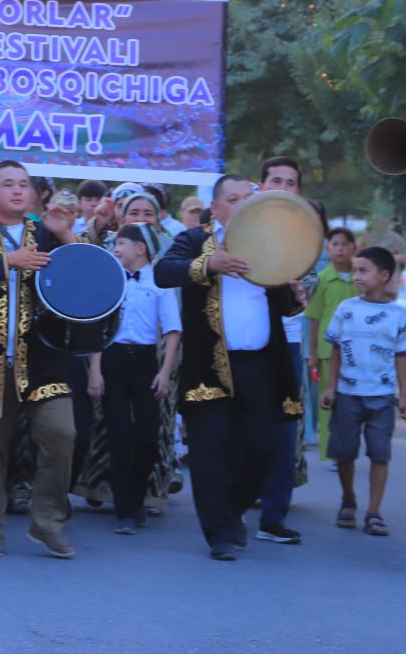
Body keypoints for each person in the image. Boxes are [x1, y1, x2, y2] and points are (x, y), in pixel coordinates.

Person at [154, 174, 305, 561]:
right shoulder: (193, 240)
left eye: (248, 198)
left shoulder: (272, 241)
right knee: (210, 452)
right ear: (217, 208)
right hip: (209, 366)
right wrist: (209, 264)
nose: (241, 205)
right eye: (233, 199)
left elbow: (283, 302)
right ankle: (219, 532)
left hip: (261, 365)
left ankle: (232, 508)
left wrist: (296, 297)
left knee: (266, 448)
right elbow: (163, 272)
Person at [0, 159, 81, 559]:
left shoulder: (47, 232)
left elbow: (86, 279)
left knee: (61, 434)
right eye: (8, 184)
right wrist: (9, 261)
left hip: (43, 358)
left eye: (24, 184)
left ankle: (47, 522)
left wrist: (66, 233)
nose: (19, 190)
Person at [86, 224, 182, 534]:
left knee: (147, 438)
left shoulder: (160, 281)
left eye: (122, 243)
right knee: (119, 437)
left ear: (140, 249)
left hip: (144, 362)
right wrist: (96, 370)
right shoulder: (112, 278)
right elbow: (99, 326)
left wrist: (165, 372)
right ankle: (124, 510)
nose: (116, 248)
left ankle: (138, 500)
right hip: (113, 359)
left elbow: (172, 331)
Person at [319, 247, 406, 536]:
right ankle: (348, 498)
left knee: (379, 454)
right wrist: (330, 387)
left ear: (384, 276)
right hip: (348, 394)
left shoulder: (398, 315)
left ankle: (374, 511)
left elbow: (402, 357)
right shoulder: (346, 309)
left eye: (364, 271)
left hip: (383, 397)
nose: (356, 276)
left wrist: (404, 396)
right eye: (355, 271)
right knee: (345, 452)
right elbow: (335, 348)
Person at [254, 156, 313, 546]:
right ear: (261, 187)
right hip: (245, 344)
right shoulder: (241, 228)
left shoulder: (307, 233)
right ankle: (233, 502)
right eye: (276, 180)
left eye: (290, 182)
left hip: (287, 344)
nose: (283, 187)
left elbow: (308, 285)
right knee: (243, 430)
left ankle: (274, 516)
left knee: (283, 430)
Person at [307, 228, 359, 462]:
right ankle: (329, 453)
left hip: (357, 350)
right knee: (329, 401)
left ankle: (347, 451)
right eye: (335, 244)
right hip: (329, 351)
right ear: (328, 250)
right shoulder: (322, 279)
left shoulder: (360, 278)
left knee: (353, 403)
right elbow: (315, 320)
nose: (340, 249)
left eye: (345, 244)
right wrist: (313, 354)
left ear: (354, 249)